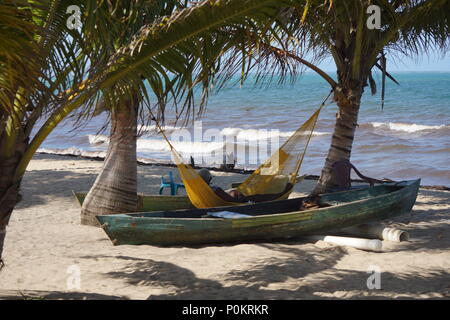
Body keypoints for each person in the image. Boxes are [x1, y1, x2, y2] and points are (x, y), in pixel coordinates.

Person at [198, 168, 293, 203]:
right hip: (236, 201)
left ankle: (279, 192)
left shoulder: (200, 189)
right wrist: (238, 197)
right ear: (209, 178)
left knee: (247, 191)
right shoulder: (214, 189)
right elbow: (230, 200)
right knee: (257, 197)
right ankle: (280, 194)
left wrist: (233, 192)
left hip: (229, 197)